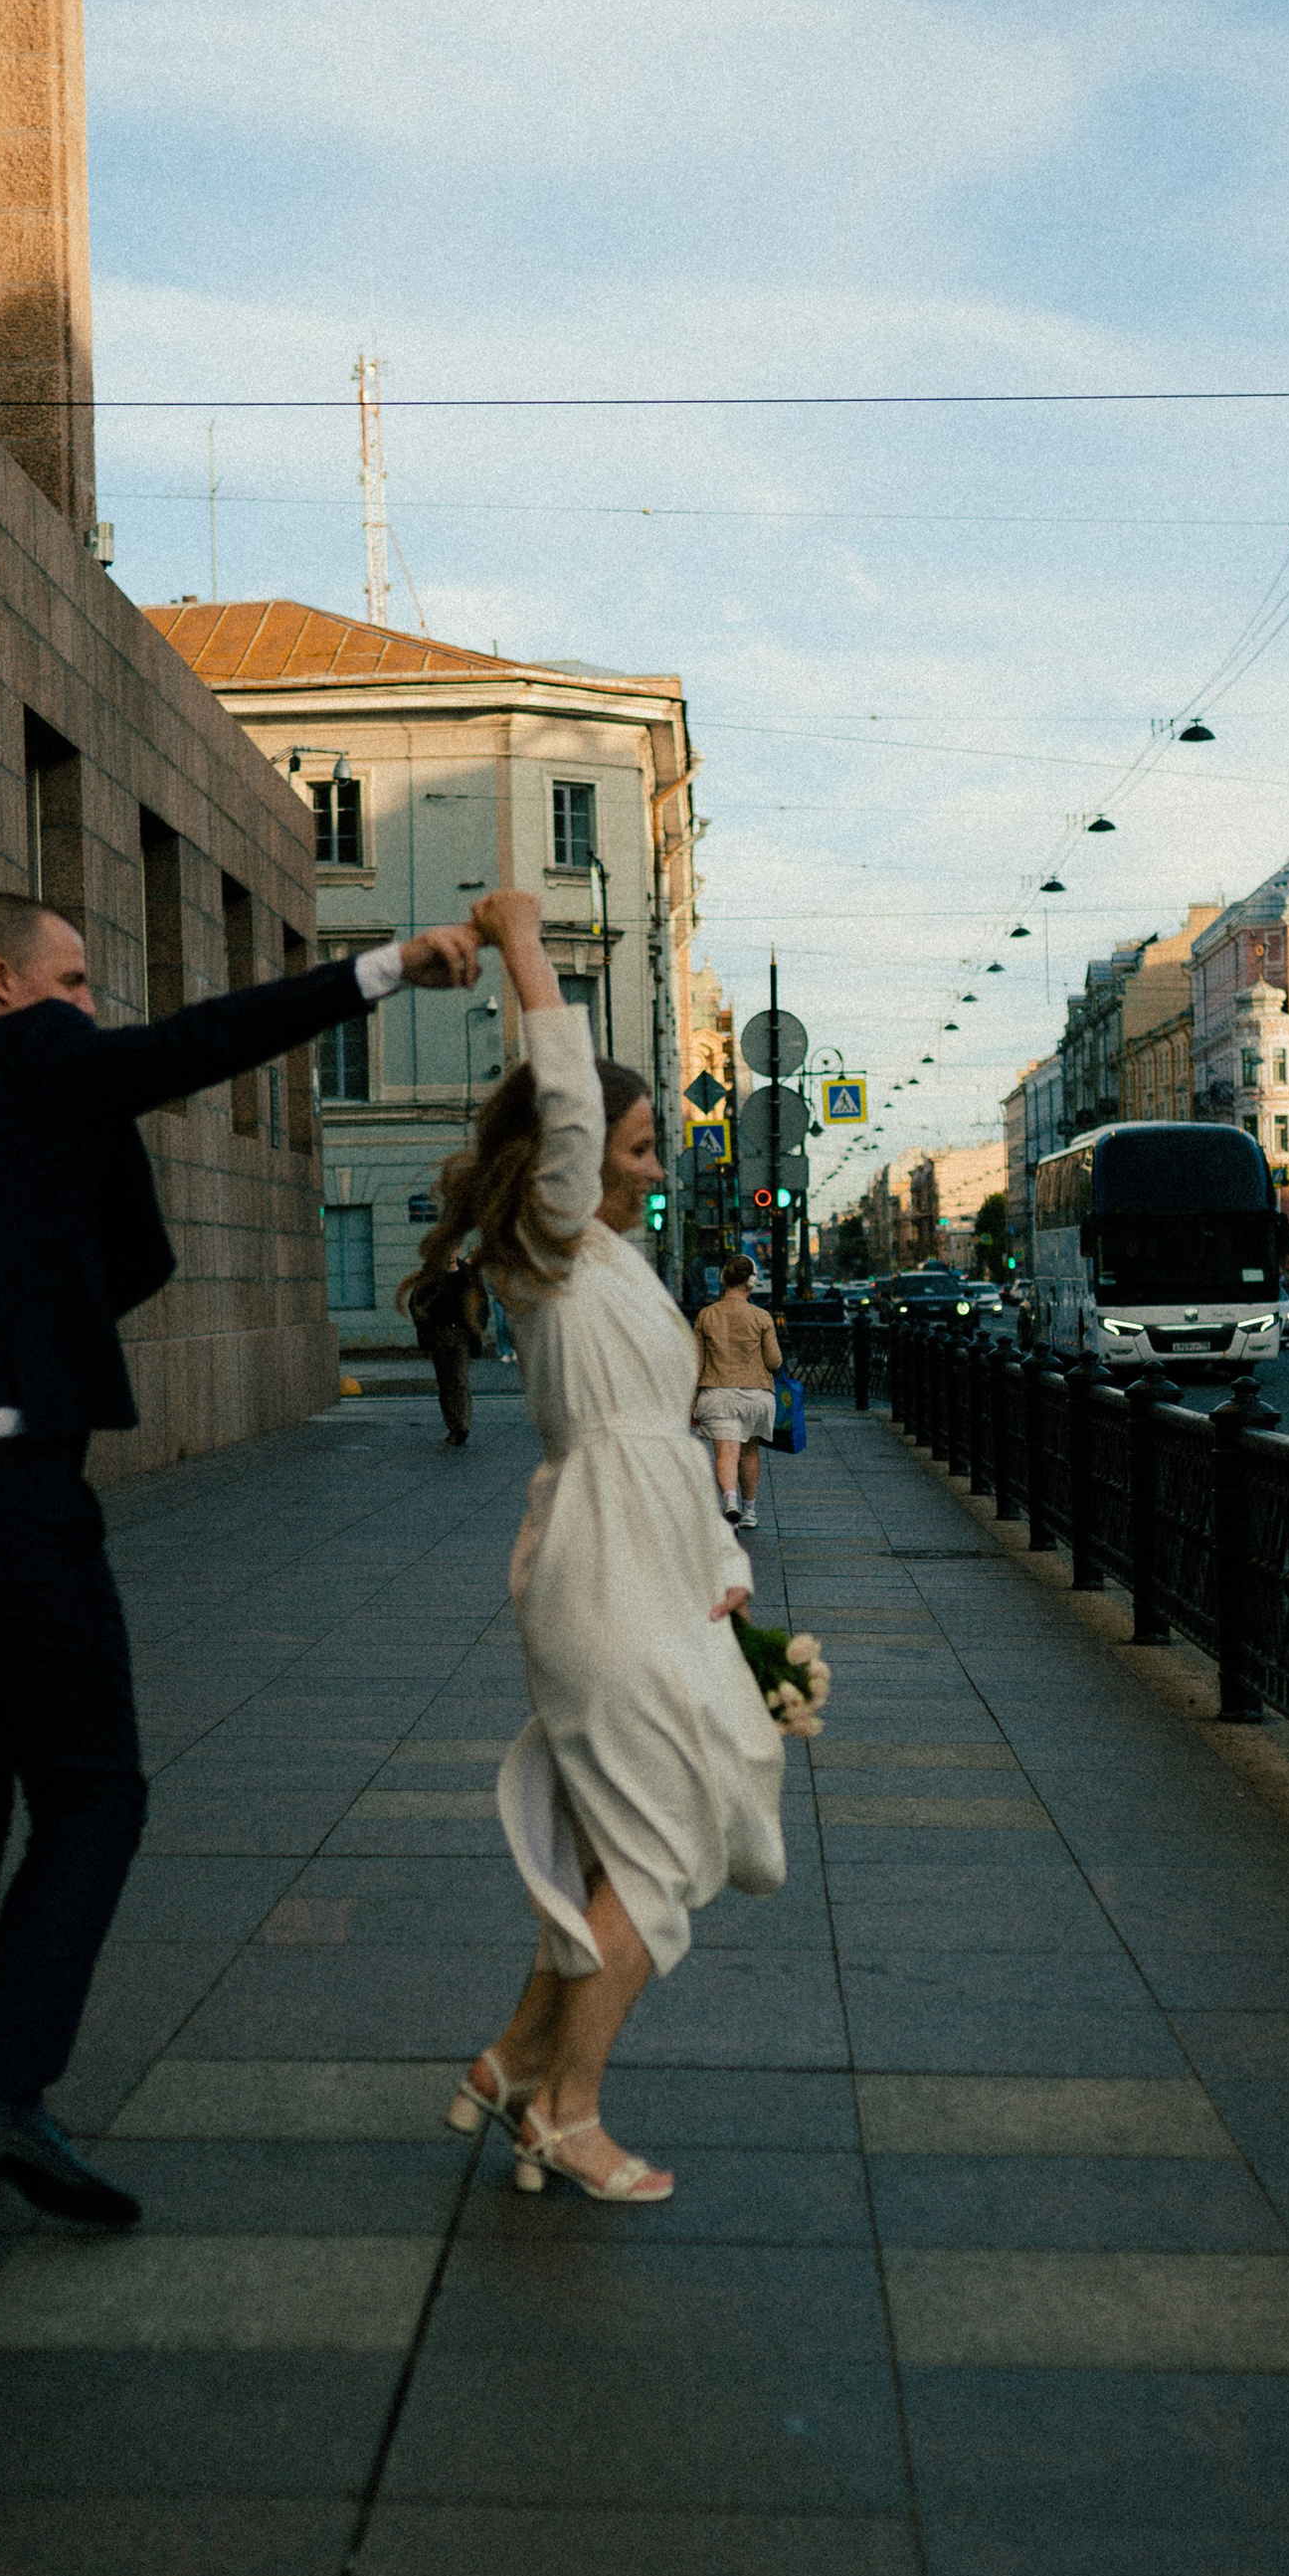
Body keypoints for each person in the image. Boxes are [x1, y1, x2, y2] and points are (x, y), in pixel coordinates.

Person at [0, 890, 478, 2224]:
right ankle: (2, 2083)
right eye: (73, 981)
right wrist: (393, 964)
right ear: (0, 982)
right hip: (3, 1499)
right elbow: (199, 1044)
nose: (92, 1008)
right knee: (93, 1794)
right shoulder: (43, 1062)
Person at [430, 889, 819, 2207]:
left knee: (628, 1855)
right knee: (651, 1867)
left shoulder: (604, 1254)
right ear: (576, 1152)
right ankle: (567, 2112)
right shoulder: (547, 1241)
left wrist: (733, 1597)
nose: (652, 1163)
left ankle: (510, 2068)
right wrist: (522, 939)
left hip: (650, 1567)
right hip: (602, 1573)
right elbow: (570, 1102)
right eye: (637, 1143)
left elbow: (676, 1437)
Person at [692, 1254, 782, 1530]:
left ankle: (729, 1502)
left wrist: (689, 1404)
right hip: (756, 1395)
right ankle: (749, 1510)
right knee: (750, 1451)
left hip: (717, 1394)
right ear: (752, 1282)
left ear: (724, 1280)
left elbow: (696, 1363)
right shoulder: (762, 1317)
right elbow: (774, 1361)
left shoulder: (706, 1316)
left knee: (725, 1452)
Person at [401, 1246, 489, 1447]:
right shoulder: (432, 1276)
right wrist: (426, 1330)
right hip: (439, 1334)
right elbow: (416, 1303)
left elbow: (482, 1303)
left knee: (460, 1379)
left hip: (462, 1335)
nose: (450, 1252)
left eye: (454, 1248)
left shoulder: (468, 1276)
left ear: (458, 1250)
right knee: (445, 1382)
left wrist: (477, 1327)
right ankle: (453, 1425)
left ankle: (463, 1426)